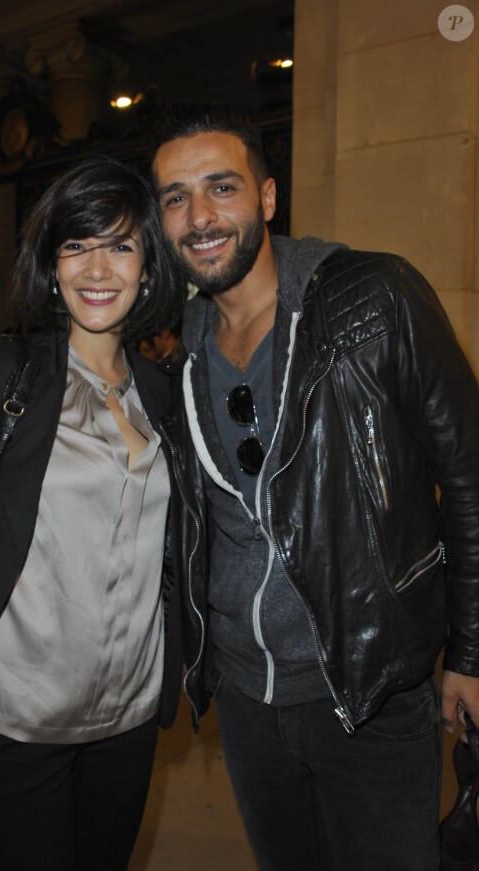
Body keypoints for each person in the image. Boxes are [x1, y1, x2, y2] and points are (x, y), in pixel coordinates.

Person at [151, 101, 479, 870]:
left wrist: (472, 648)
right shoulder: (185, 349)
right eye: (174, 197)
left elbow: (468, 473)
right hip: (247, 701)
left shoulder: (375, 297)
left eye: (220, 188)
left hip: (368, 692)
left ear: (267, 198)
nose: (199, 216)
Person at [0, 156, 184, 871]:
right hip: (11, 719)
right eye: (76, 243)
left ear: (148, 266)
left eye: (120, 244)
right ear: (52, 264)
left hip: (127, 722)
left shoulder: (165, 393)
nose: (97, 266)